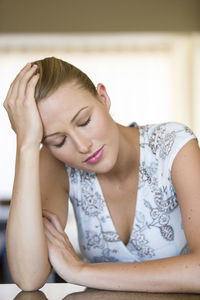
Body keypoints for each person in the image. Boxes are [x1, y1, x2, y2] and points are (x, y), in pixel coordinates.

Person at [3, 57, 200, 293]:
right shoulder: (55, 162)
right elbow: (28, 278)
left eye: (84, 121)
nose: (82, 145)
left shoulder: (173, 145)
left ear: (103, 98)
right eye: (59, 140)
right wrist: (25, 145)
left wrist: (79, 271)